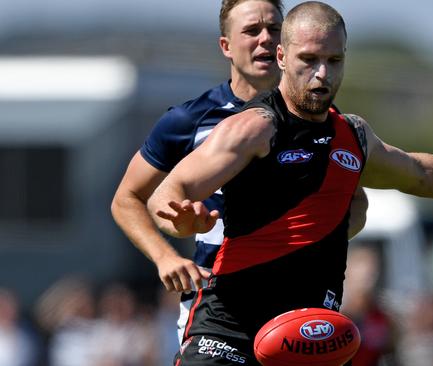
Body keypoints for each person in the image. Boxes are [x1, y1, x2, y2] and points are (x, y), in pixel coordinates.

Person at [147, 2, 433, 365]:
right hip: (228, 329)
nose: (321, 75)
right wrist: (182, 218)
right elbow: (168, 192)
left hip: (308, 336)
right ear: (282, 57)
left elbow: (422, 173)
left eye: (333, 61)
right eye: (309, 60)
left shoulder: (353, 136)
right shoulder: (254, 128)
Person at [110, 0, 369, 344]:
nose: (264, 38)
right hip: (219, 311)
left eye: (274, 29)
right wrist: (165, 257)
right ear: (226, 46)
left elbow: (354, 204)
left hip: (292, 310)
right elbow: (127, 198)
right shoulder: (189, 121)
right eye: (251, 30)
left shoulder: (321, 119)